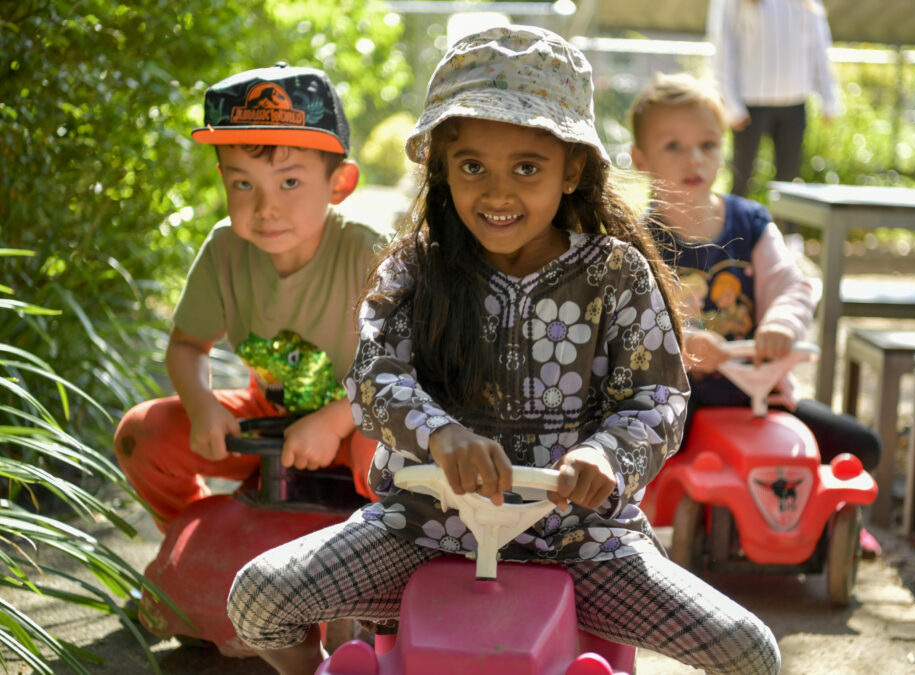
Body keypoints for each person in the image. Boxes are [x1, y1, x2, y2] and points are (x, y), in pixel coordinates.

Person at [226, 26, 781, 675]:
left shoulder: (618, 275)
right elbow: (375, 377)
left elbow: (656, 400)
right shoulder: (414, 270)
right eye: (472, 167)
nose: (497, 192)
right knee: (256, 598)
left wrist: (604, 454)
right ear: (441, 165)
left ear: (572, 166)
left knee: (749, 652)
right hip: (422, 532)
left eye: (526, 166)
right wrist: (440, 436)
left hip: (586, 542)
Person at [113, 63, 387, 534]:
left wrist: (337, 420)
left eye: (289, 182)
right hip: (266, 424)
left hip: (358, 421)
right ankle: (193, 551)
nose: (265, 208)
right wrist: (202, 407)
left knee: (383, 453)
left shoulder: (367, 253)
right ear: (223, 178)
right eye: (244, 183)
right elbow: (186, 346)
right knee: (144, 433)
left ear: (339, 183)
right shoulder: (225, 249)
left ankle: (386, 575)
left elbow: (412, 366)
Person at [629, 72, 882, 542]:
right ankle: (647, 527)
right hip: (681, 400)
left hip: (759, 394)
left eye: (708, 144)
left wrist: (782, 324)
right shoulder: (639, 242)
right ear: (640, 159)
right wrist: (680, 344)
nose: (695, 159)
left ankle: (833, 515)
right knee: (635, 449)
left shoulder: (751, 223)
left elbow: (793, 284)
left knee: (860, 444)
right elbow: (632, 320)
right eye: (674, 147)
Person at [708, 0, 839, 203]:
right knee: (742, 177)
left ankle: (788, 232)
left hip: (794, 104)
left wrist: (829, 99)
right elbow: (723, 46)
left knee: (789, 180)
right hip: (750, 106)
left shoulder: (806, 3)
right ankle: (736, 232)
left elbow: (819, 49)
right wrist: (731, 106)